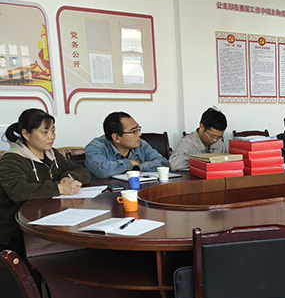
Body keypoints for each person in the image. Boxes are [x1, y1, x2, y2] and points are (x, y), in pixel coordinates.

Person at [0, 109, 91, 254]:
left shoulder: (52, 154)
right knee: (77, 251)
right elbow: (18, 191)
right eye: (45, 132)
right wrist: (59, 188)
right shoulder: (11, 160)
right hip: (19, 232)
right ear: (26, 134)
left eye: (53, 131)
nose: (51, 136)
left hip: (52, 221)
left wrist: (68, 178)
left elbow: (82, 171)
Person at [85, 111, 168, 179]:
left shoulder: (140, 144)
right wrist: (129, 163)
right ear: (116, 137)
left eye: (138, 129)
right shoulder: (95, 147)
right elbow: (103, 171)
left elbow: (163, 163)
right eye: (133, 131)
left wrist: (138, 167)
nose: (139, 134)